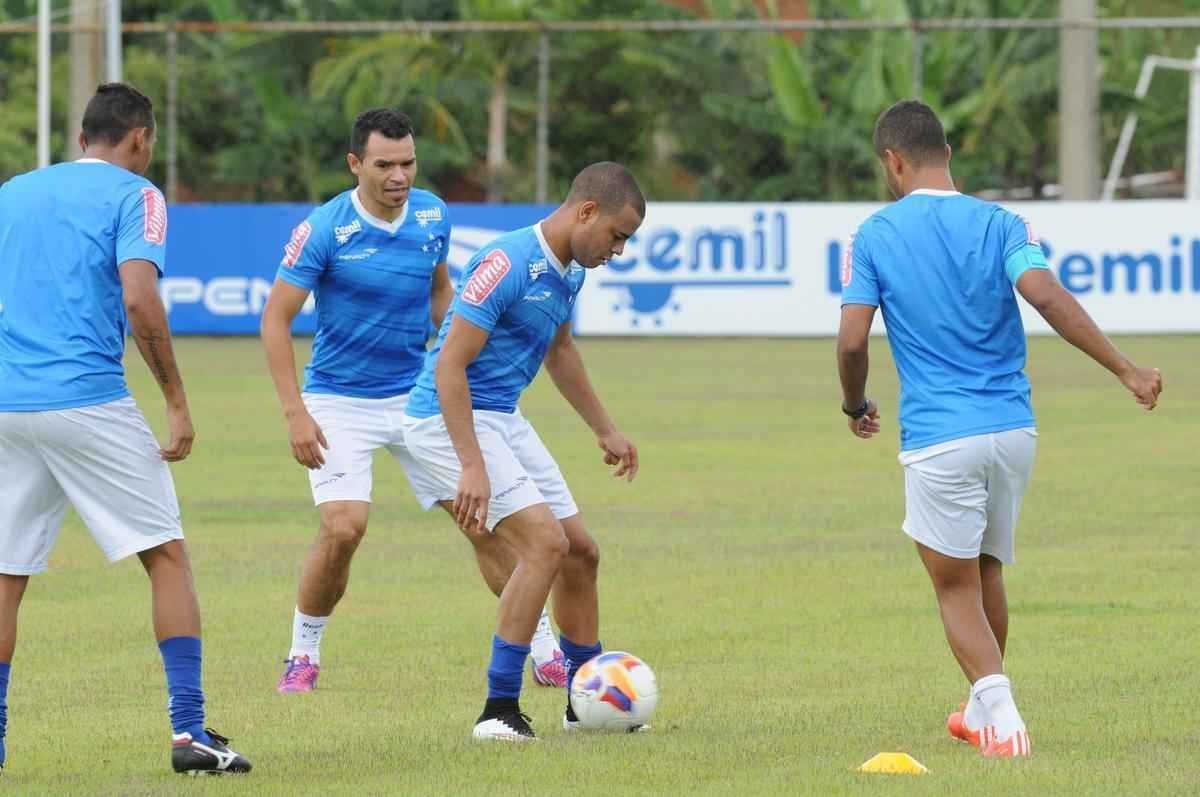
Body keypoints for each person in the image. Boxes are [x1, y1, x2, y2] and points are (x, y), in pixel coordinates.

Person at [836, 99, 1163, 759]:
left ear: (892, 162)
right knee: (986, 571)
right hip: (1013, 430)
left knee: (954, 585)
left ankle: (1006, 721)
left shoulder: (872, 234)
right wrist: (1125, 368)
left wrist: (855, 404)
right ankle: (978, 712)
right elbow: (1045, 296)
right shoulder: (1002, 222)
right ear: (948, 154)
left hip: (939, 436)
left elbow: (851, 342)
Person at [261, 108, 567, 695]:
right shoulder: (323, 230)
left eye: (408, 163)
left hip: (418, 397)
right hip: (339, 402)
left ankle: (544, 649)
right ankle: (303, 653)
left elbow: (441, 294)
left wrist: (464, 370)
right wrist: (295, 412)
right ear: (355, 164)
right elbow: (276, 319)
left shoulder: (432, 214)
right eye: (384, 165)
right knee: (344, 528)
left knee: (483, 522)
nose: (399, 176)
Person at [0, 83, 251, 775]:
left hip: (8, 403)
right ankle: (190, 734)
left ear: (83, 137)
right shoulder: (138, 195)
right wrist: (176, 399)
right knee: (165, 555)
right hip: (87, 399)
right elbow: (140, 298)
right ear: (141, 138)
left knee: (6, 573)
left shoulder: (13, 191)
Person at [401, 161, 645, 741]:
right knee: (544, 545)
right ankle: (498, 710)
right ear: (586, 211)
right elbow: (450, 365)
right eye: (616, 236)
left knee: (580, 552)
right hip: (444, 420)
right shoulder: (506, 262)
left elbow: (560, 351)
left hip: (501, 417)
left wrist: (605, 429)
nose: (617, 251)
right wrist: (471, 464)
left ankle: (584, 703)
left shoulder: (571, 272)